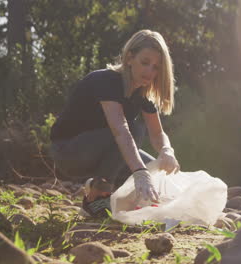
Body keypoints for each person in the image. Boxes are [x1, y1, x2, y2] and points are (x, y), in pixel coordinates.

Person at [48, 29, 180, 217]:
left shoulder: (143, 93)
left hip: (101, 152)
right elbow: (120, 130)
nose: (150, 71)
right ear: (129, 58)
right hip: (69, 153)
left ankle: (100, 189)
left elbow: (157, 134)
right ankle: (97, 195)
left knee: (157, 172)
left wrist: (167, 151)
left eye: (156, 67)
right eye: (145, 63)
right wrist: (139, 172)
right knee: (134, 131)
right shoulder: (107, 81)